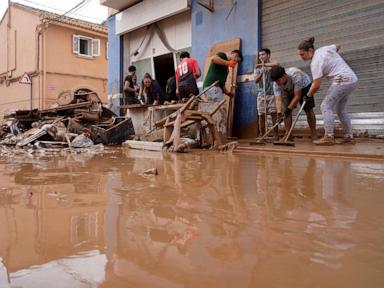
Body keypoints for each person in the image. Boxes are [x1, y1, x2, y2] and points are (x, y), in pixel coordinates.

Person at [298, 37, 358, 145]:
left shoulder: (315, 63)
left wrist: (308, 95)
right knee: (341, 109)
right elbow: (338, 45)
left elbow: (316, 85)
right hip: (352, 79)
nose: (301, 57)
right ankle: (349, 136)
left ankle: (329, 136)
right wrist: (331, 60)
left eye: (302, 54)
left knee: (325, 106)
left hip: (342, 80)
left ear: (310, 51)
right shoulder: (325, 49)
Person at [202, 49, 242, 144]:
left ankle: (213, 138)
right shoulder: (222, 55)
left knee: (214, 112)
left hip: (216, 88)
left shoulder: (226, 69)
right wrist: (228, 62)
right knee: (220, 112)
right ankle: (219, 138)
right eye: (236, 60)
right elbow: (214, 59)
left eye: (237, 62)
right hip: (212, 87)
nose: (235, 63)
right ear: (233, 54)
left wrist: (229, 93)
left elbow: (222, 85)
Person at [270, 65, 317, 141]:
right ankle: (288, 134)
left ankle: (314, 133)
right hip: (287, 90)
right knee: (284, 111)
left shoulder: (296, 75)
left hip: (304, 86)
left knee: (308, 109)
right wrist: (279, 114)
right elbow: (278, 99)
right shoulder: (276, 83)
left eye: (278, 80)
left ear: (284, 76)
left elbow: (297, 96)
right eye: (276, 81)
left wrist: (289, 109)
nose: (277, 83)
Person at [254, 48, 279, 140]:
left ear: (268, 55)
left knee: (273, 114)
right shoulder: (257, 68)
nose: (261, 57)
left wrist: (263, 65)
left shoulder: (272, 65)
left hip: (272, 93)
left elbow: (277, 64)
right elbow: (255, 81)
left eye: (263, 54)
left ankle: (276, 135)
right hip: (261, 94)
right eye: (260, 55)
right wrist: (260, 73)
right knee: (261, 114)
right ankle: (262, 134)